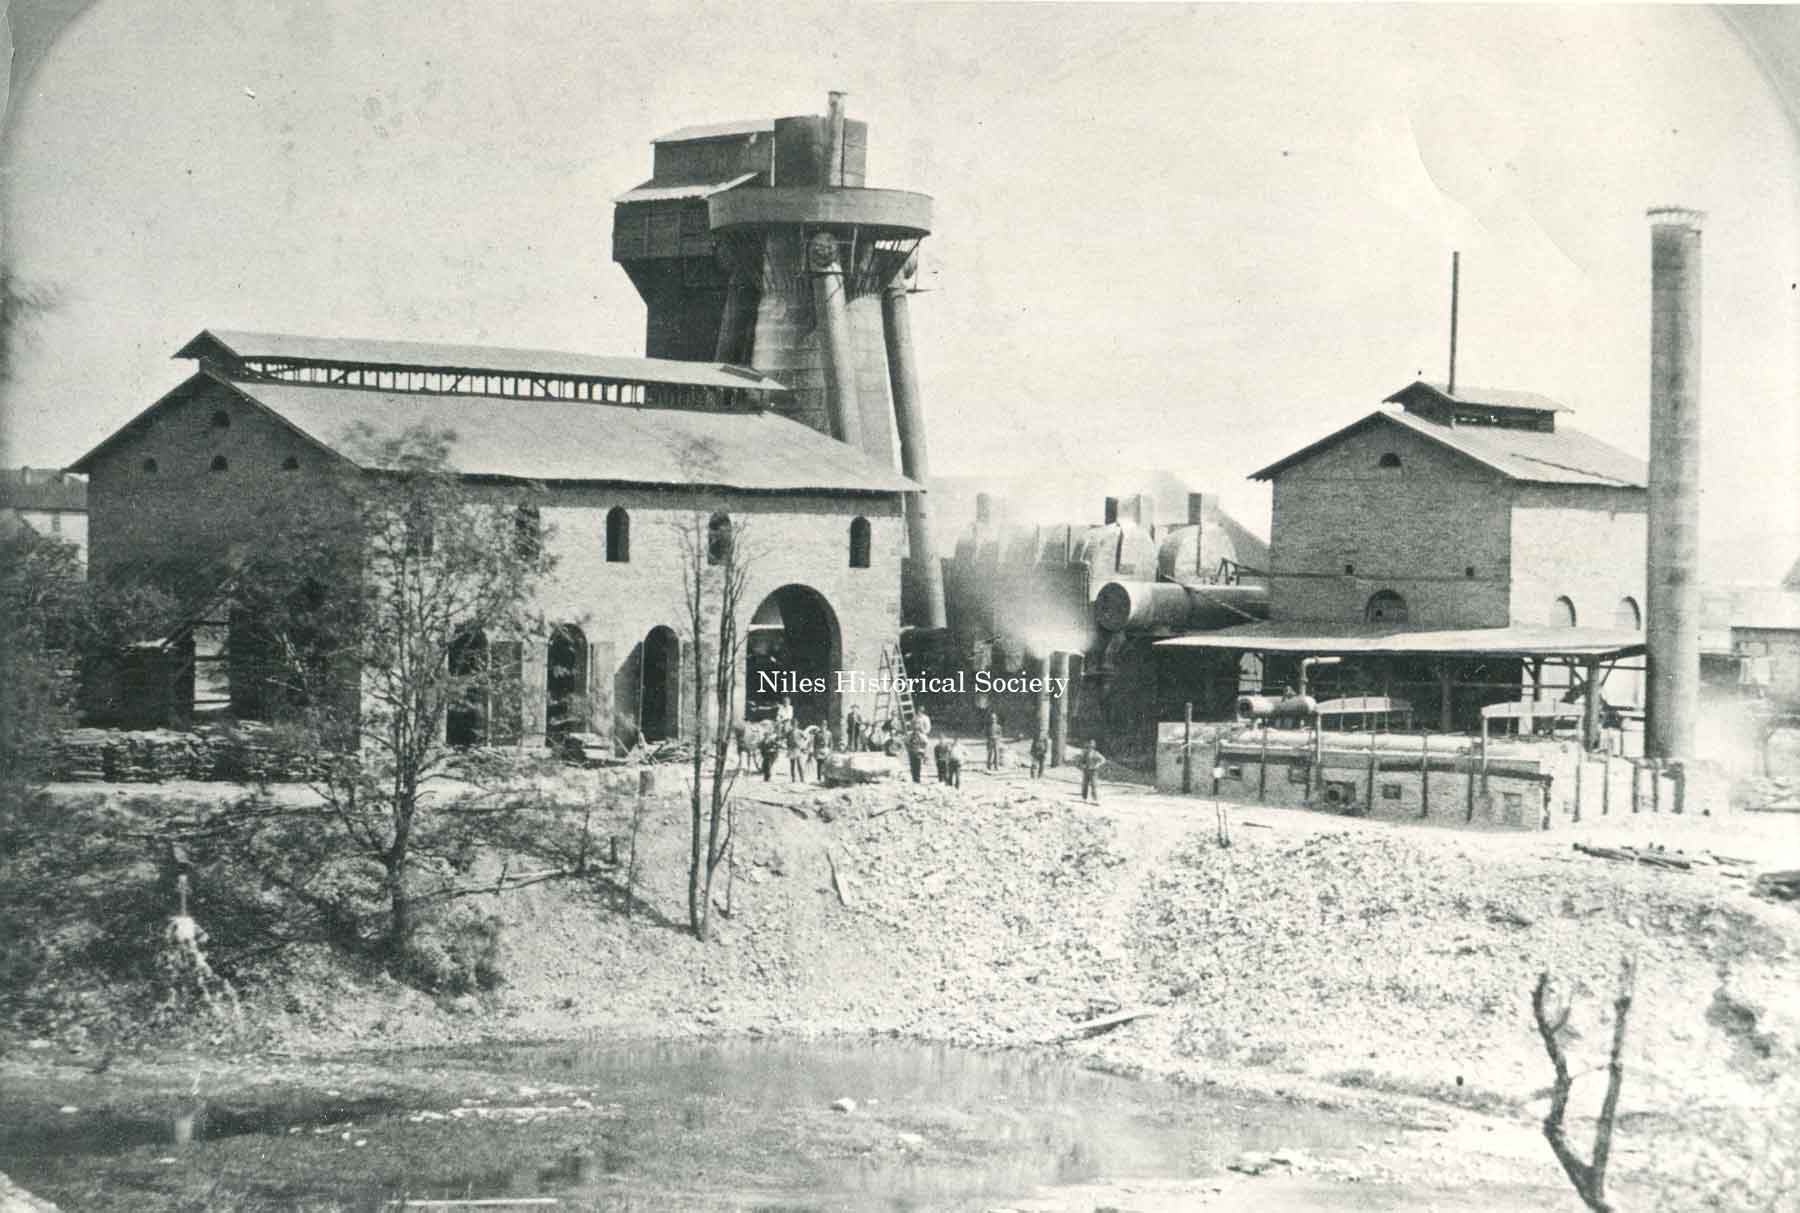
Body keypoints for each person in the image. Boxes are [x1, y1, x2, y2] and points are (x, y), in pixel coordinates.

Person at [906, 717, 930, 783]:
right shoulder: (910, 735)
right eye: (915, 729)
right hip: (912, 752)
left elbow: (926, 743)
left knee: (918, 766)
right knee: (912, 766)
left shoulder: (921, 736)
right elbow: (906, 742)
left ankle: (917, 779)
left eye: (917, 729)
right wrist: (908, 749)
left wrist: (923, 750)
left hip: (918, 752)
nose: (916, 730)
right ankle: (914, 779)